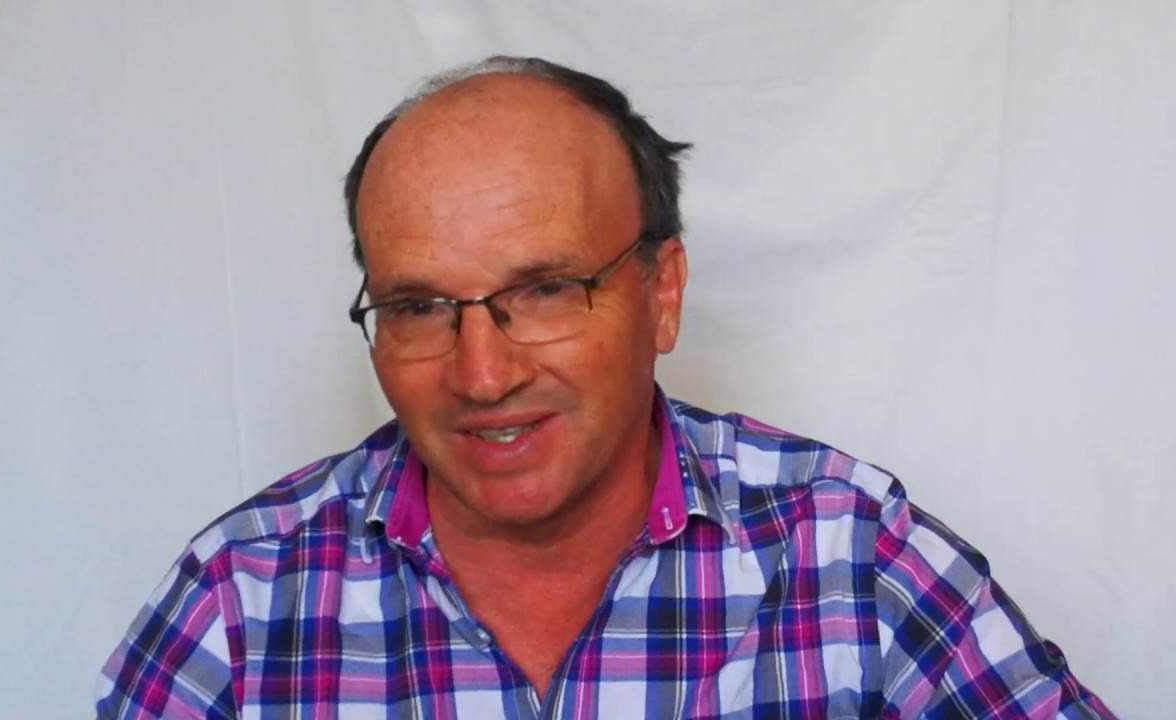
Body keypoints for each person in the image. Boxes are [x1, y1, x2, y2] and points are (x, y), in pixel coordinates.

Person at [95, 56, 1115, 719]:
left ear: (661, 294)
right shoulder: (241, 599)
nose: (482, 375)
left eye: (544, 290)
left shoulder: (854, 562)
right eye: (419, 306)